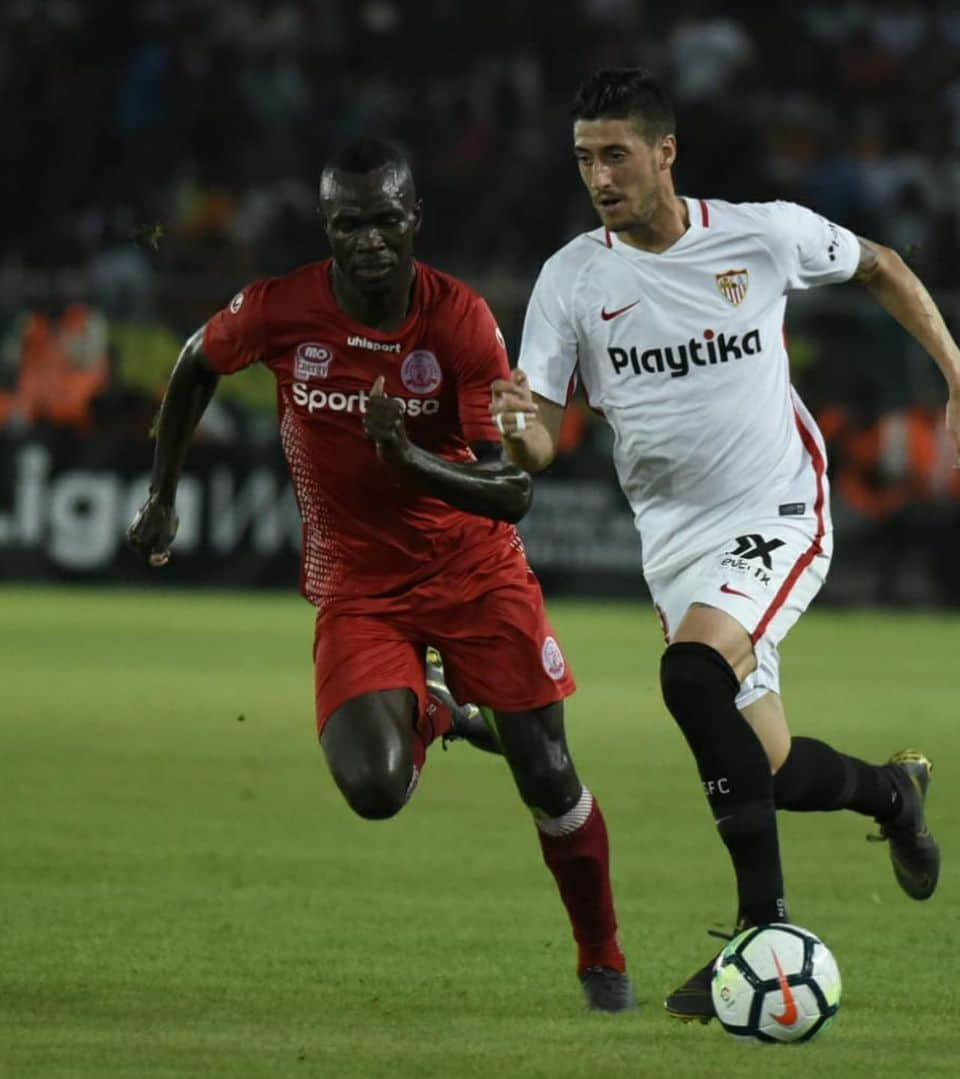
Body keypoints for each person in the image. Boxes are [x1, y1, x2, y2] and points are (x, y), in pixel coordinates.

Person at [490, 69, 960, 1022]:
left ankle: (762, 930)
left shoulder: (761, 235)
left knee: (691, 678)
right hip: (674, 542)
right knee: (763, 764)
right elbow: (544, 440)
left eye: (616, 155)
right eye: (584, 158)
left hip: (778, 508)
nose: (599, 176)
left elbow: (882, 262)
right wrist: (517, 426)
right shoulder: (571, 279)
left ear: (664, 153)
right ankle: (894, 795)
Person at [127, 136, 635, 1013]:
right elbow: (195, 361)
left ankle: (603, 960)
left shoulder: (460, 319)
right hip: (358, 584)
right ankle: (438, 706)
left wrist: (405, 456)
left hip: (473, 568)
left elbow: (509, 489)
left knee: (548, 772)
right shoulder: (283, 308)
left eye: (385, 220)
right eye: (348, 223)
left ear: (414, 222)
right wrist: (161, 493)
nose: (368, 239)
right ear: (328, 226)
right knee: (372, 789)